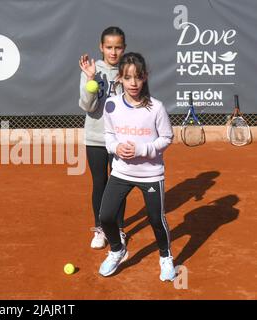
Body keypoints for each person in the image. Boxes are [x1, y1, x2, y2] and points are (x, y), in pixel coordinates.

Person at [98, 52, 176, 281]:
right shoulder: (111, 105)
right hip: (121, 171)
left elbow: (167, 138)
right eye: (127, 77)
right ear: (119, 78)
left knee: (155, 219)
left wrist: (142, 150)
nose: (133, 83)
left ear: (145, 78)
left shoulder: (157, 108)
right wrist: (115, 148)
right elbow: (109, 135)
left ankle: (165, 257)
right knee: (106, 216)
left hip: (151, 174)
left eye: (138, 77)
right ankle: (116, 249)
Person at [78, 26, 127, 249]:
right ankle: (100, 229)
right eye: (109, 47)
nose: (113, 52)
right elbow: (87, 106)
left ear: (123, 48)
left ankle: (118, 228)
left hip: (120, 139)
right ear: (101, 47)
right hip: (96, 137)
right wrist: (90, 79)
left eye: (118, 47)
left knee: (119, 185)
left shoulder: (129, 70)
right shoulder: (91, 69)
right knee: (100, 183)